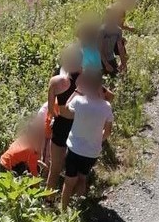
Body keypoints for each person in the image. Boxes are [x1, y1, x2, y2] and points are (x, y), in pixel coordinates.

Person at [59, 69, 114, 210]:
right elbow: (108, 132)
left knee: (69, 181)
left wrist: (77, 90)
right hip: (92, 152)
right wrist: (97, 140)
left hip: (74, 149)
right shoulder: (106, 107)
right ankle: (79, 209)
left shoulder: (78, 101)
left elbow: (66, 107)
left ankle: (64, 210)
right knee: (82, 178)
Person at [45, 45, 83, 193]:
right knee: (78, 167)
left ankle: (48, 199)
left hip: (61, 124)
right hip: (79, 126)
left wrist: (59, 113)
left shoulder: (55, 80)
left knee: (55, 168)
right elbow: (105, 97)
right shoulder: (87, 78)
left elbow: (50, 110)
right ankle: (77, 197)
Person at [100, 5, 128, 77]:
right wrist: (106, 64)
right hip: (99, 58)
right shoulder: (102, 30)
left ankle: (119, 68)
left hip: (110, 56)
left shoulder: (118, 30)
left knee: (115, 75)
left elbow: (120, 47)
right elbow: (99, 49)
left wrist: (123, 63)